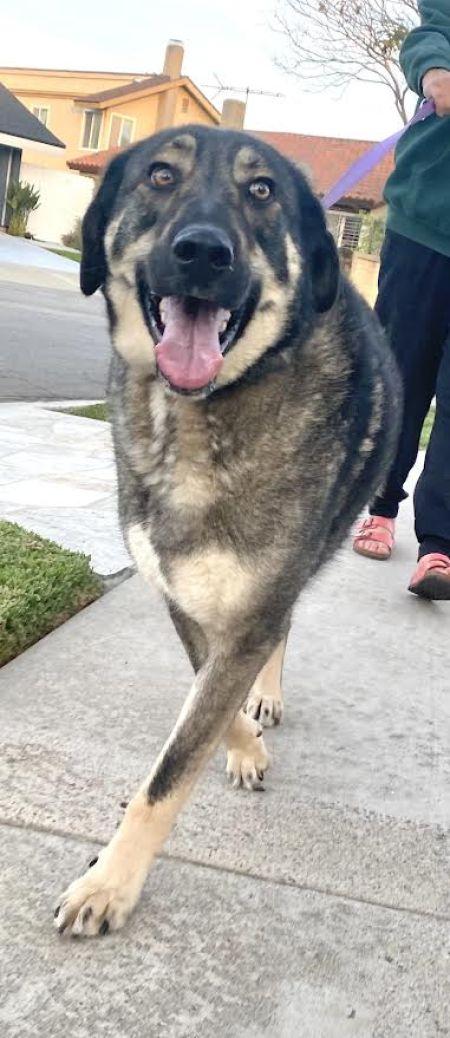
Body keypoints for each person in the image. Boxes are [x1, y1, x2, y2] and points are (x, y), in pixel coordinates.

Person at [353, 0, 450, 600]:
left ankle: (440, 545)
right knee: (401, 373)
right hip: (422, 223)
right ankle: (382, 504)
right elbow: (431, 30)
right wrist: (436, 69)